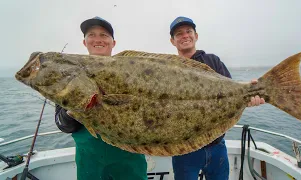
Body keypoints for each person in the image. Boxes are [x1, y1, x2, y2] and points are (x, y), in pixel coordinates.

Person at [169, 16, 265, 180]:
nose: (185, 36)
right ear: (173, 41)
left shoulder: (212, 60)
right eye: (179, 34)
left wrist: (250, 94)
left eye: (188, 31)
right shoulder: (169, 69)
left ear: (196, 36)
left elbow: (233, 94)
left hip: (216, 146)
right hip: (184, 149)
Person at [55, 16, 147, 180]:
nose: (98, 39)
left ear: (113, 42)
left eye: (104, 35)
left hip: (129, 157)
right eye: (92, 35)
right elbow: (63, 125)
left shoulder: (131, 72)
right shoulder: (70, 75)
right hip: (90, 159)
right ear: (85, 42)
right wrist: (72, 111)